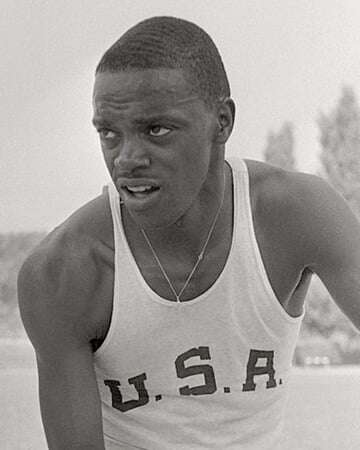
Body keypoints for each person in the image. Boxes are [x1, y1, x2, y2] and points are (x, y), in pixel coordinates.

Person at [18, 16, 360, 450]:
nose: (127, 158)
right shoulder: (64, 272)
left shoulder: (296, 214)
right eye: (109, 133)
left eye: (155, 129)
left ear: (222, 122)